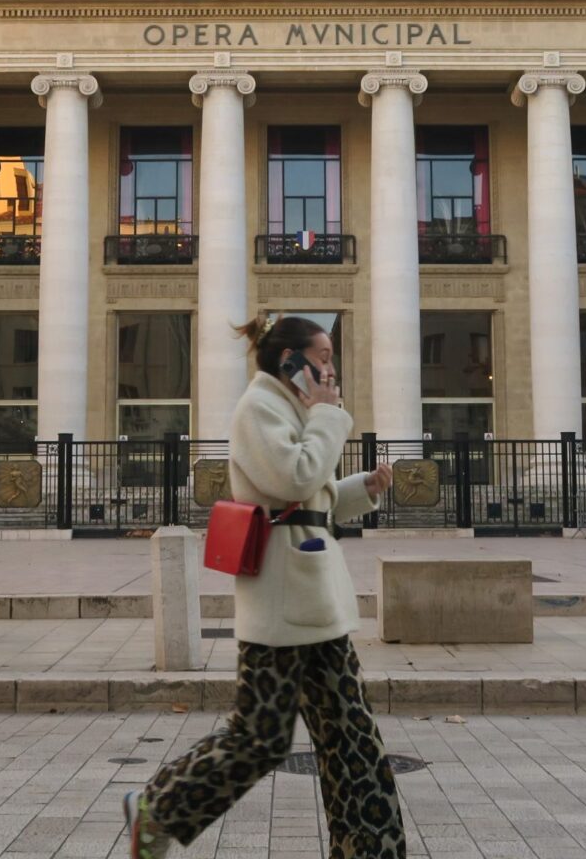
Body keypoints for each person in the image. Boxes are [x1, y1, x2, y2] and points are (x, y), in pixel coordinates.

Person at [124, 315, 404, 859]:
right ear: (290, 363)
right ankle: (159, 809)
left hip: (313, 600)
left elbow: (307, 500)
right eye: (321, 358)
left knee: (353, 741)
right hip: (282, 605)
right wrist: (328, 416)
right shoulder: (260, 409)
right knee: (262, 738)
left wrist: (360, 488)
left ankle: (369, 850)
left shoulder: (291, 410)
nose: (331, 369)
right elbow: (293, 479)